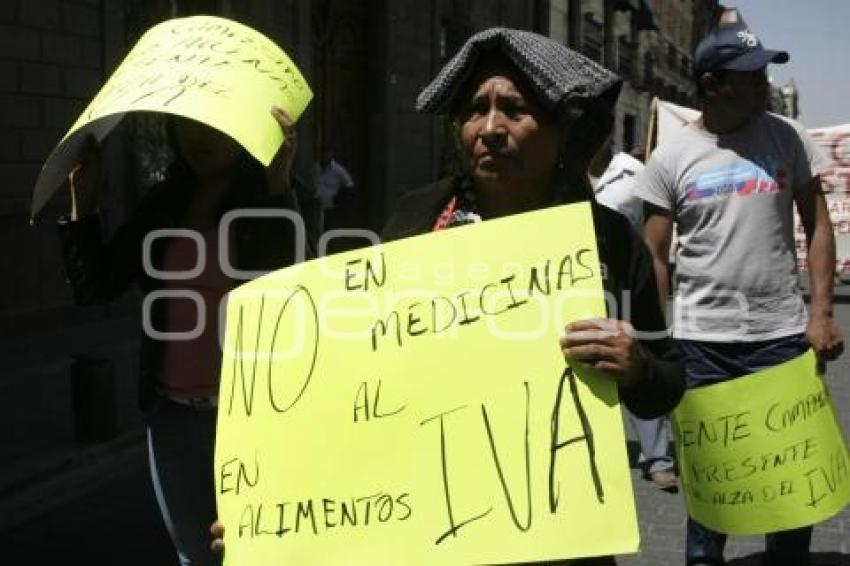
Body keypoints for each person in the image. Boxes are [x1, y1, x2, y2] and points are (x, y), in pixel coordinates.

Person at [211, 27, 684, 565]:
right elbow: (342, 373)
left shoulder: (606, 242)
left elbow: (666, 385)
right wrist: (270, 509)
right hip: (432, 523)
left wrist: (638, 365)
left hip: (558, 529)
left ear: (562, 132)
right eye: (475, 110)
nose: (491, 129)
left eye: (515, 109)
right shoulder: (415, 220)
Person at [637, 9, 844, 566]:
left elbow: (818, 223)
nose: (763, 85)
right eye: (751, 76)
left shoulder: (788, 138)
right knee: (713, 486)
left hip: (781, 338)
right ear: (713, 85)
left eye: (764, 74)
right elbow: (653, 255)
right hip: (704, 345)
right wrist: (659, 340)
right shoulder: (671, 157)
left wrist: (820, 312)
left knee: (792, 482)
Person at [58, 107, 303, 566]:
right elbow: (97, 287)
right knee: (194, 553)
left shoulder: (268, 194)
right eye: (187, 124)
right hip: (173, 418)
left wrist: (278, 188)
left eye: (213, 122)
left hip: (251, 417)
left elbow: (293, 287)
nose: (199, 136)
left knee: (261, 552)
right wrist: (83, 207)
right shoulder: (163, 202)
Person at [588, 140, 678, 492]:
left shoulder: (634, 173)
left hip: (624, 283)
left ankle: (658, 459)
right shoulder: (559, 176)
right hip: (576, 285)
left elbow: (655, 237)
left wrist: (656, 294)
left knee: (639, 361)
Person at [312, 145, 354, 234]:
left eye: (328, 153)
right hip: (317, 205)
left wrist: (339, 198)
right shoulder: (315, 167)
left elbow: (349, 184)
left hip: (330, 206)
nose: (325, 155)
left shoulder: (338, 170)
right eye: (323, 153)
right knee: (317, 231)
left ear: (331, 154)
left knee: (329, 231)